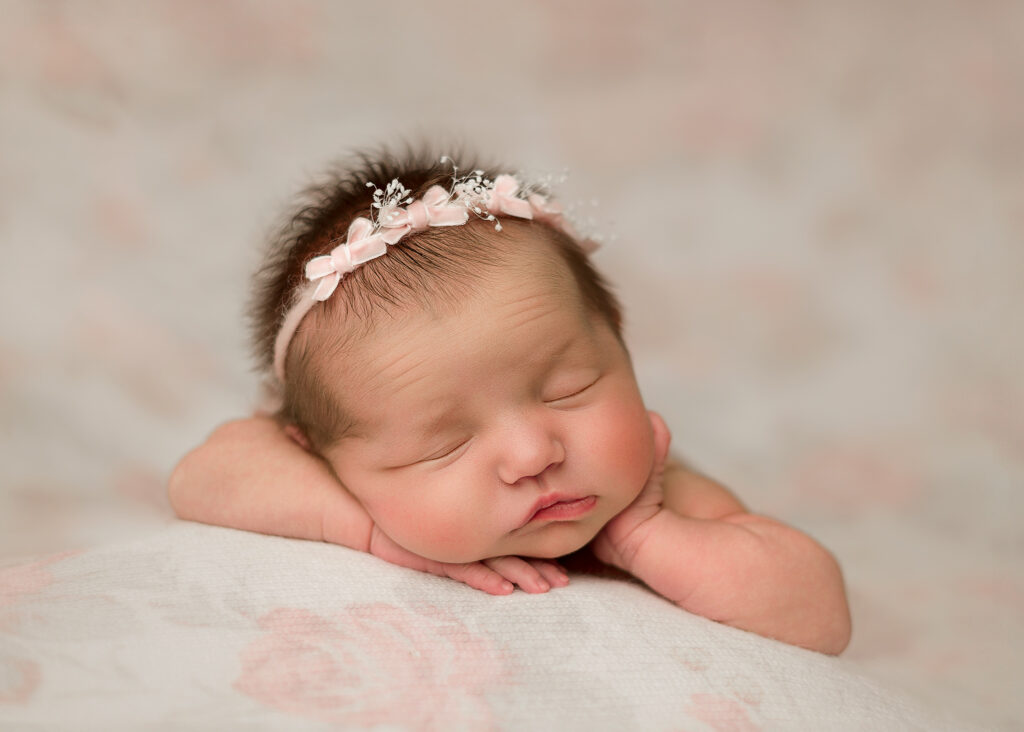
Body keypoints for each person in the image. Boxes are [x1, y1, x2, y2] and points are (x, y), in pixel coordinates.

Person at [168, 146, 851, 654]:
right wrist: (372, 531)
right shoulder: (321, 475)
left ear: (620, 344)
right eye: (446, 442)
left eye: (569, 389)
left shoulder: (658, 492)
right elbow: (201, 475)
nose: (533, 454)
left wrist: (646, 538)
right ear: (316, 453)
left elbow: (819, 615)